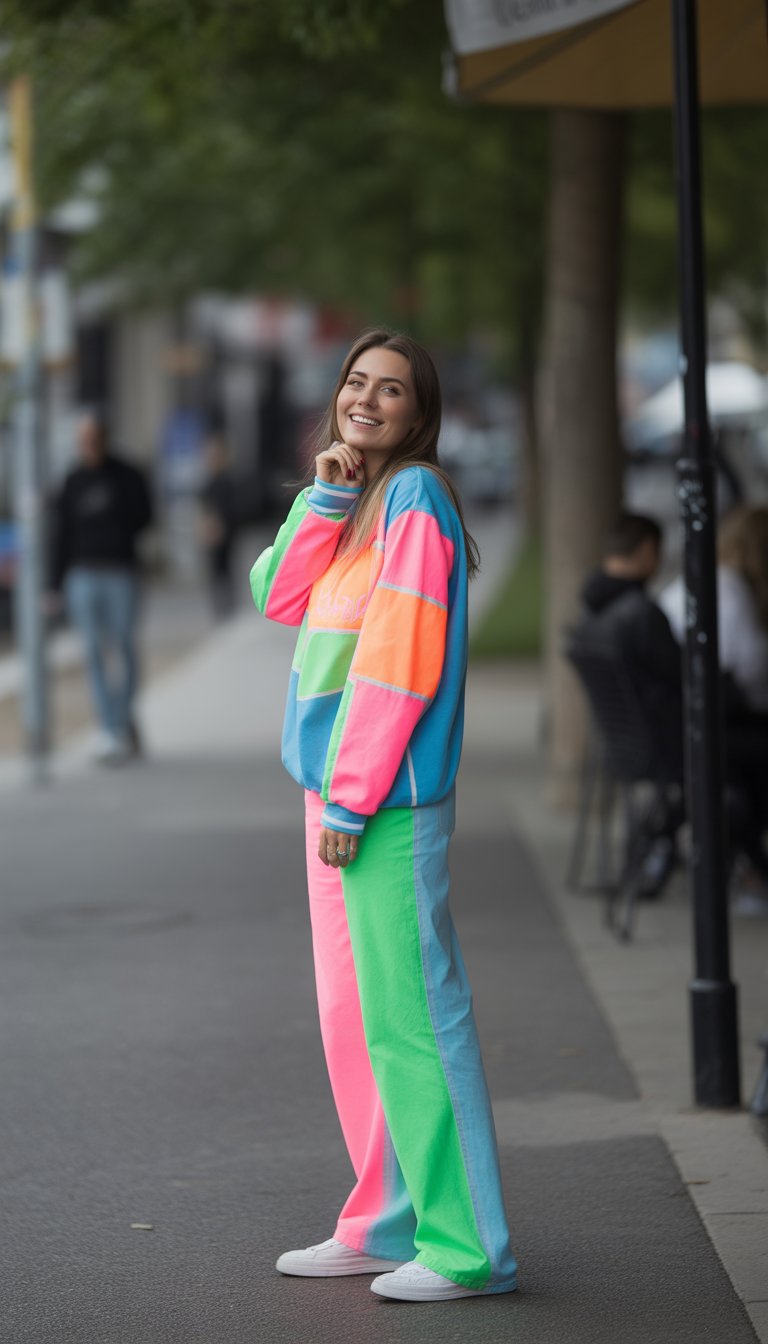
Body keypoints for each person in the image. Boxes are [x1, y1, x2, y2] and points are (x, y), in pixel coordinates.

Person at [249, 330, 518, 1303]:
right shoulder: (355, 495)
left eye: (391, 390)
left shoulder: (415, 498)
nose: (367, 398)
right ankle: (380, 1220)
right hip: (333, 790)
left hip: (385, 797)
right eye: (357, 381)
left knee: (413, 1019)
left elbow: (398, 658)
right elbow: (274, 594)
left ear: (419, 412)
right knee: (354, 1021)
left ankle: (467, 1247)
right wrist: (323, 494)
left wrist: (356, 797)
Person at [50, 409, 153, 764]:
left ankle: (121, 720)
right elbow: (60, 534)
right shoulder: (72, 480)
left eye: (93, 438)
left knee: (123, 646)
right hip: (82, 574)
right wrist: (53, 585)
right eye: (83, 440)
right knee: (92, 651)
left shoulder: (127, 474)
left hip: (120, 571)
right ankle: (110, 728)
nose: (88, 446)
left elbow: (145, 516)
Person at [659, 505, 768, 714]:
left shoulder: (710, 579)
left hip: (684, 707)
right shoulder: (730, 589)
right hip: (714, 715)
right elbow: (752, 669)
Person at [199, 432, 239, 619]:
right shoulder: (208, 483)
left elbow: (234, 510)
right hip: (213, 535)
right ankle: (221, 609)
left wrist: (222, 525)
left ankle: (228, 609)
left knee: (226, 571)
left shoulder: (228, 482)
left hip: (227, 534)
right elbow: (204, 509)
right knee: (215, 573)